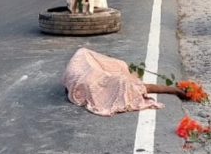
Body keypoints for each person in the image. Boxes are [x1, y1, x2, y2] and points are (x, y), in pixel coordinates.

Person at [63, 48, 191, 116]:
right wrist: (175, 90)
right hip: (85, 69)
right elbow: (146, 87)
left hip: (84, 61)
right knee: (118, 71)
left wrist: (176, 91)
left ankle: (117, 73)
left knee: (119, 66)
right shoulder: (118, 86)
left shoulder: (112, 84)